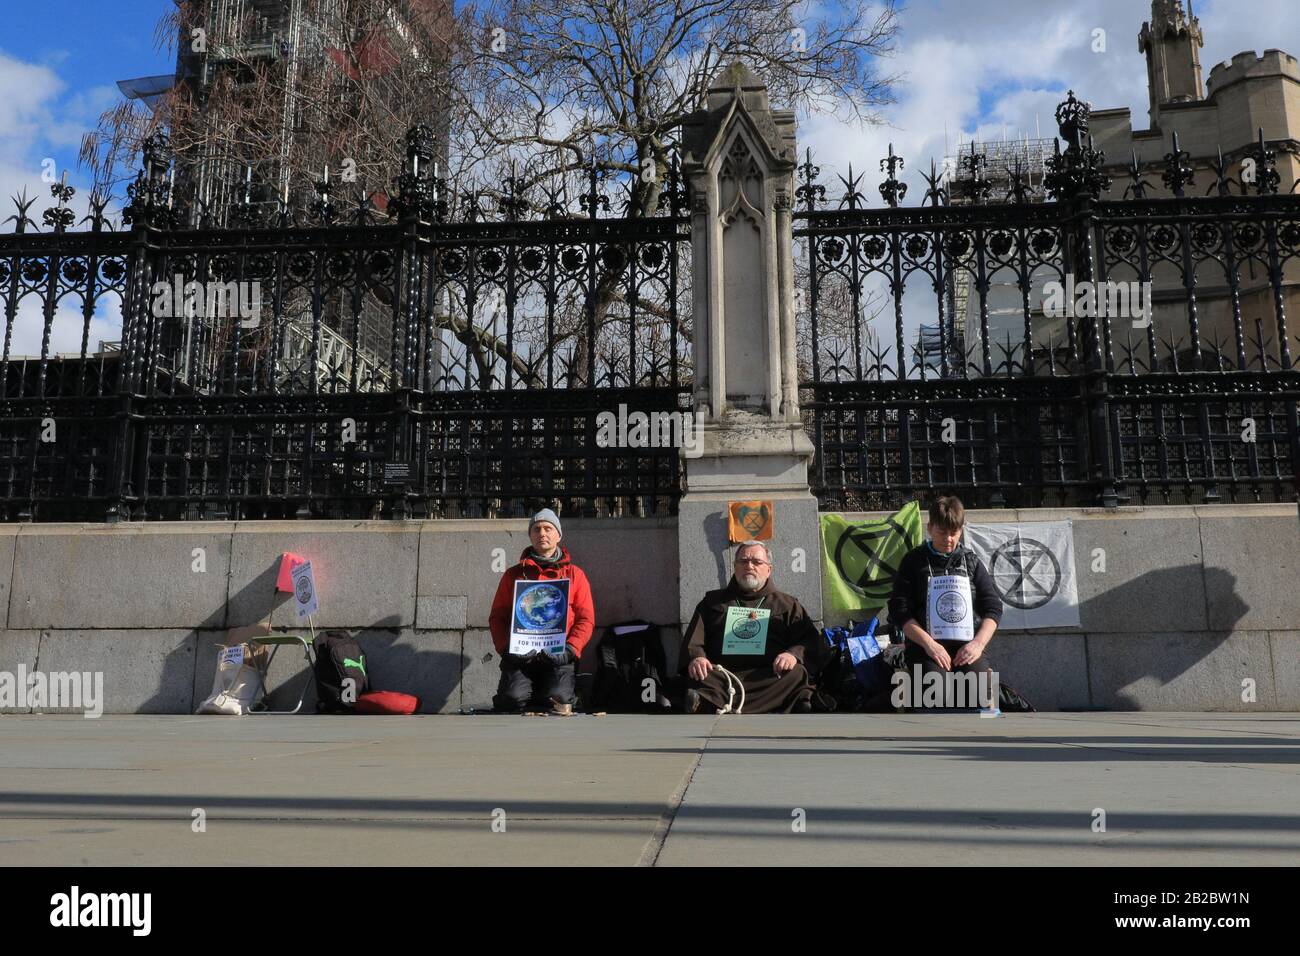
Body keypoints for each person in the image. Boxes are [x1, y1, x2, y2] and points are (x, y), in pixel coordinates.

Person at [887, 494, 1002, 709]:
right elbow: (899, 610)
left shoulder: (971, 561)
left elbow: (993, 608)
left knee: (987, 701)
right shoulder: (913, 561)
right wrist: (930, 645)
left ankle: (987, 735)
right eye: (942, 532)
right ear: (930, 528)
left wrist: (977, 645)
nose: (948, 539)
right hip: (926, 646)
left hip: (966, 645)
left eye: (954, 533)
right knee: (936, 695)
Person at [679, 540, 821, 714]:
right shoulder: (712, 602)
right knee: (699, 673)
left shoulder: (788, 604)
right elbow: (694, 641)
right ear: (735, 567)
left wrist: (792, 655)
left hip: (768, 676)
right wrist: (697, 658)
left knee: (797, 673)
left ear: (769, 569)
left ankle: (714, 701)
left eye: (756, 562)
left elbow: (810, 640)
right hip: (722, 676)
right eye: (743, 561)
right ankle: (779, 703)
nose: (749, 566)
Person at [489, 509, 595, 715]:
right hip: (521, 656)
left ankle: (564, 690)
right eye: (536, 529)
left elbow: (586, 619)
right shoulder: (513, 575)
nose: (542, 534)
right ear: (530, 536)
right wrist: (507, 649)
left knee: (560, 701)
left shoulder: (575, 574)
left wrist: (570, 650)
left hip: (559, 655)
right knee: (511, 701)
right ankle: (527, 692)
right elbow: (498, 617)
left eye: (548, 528)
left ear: (558, 535)